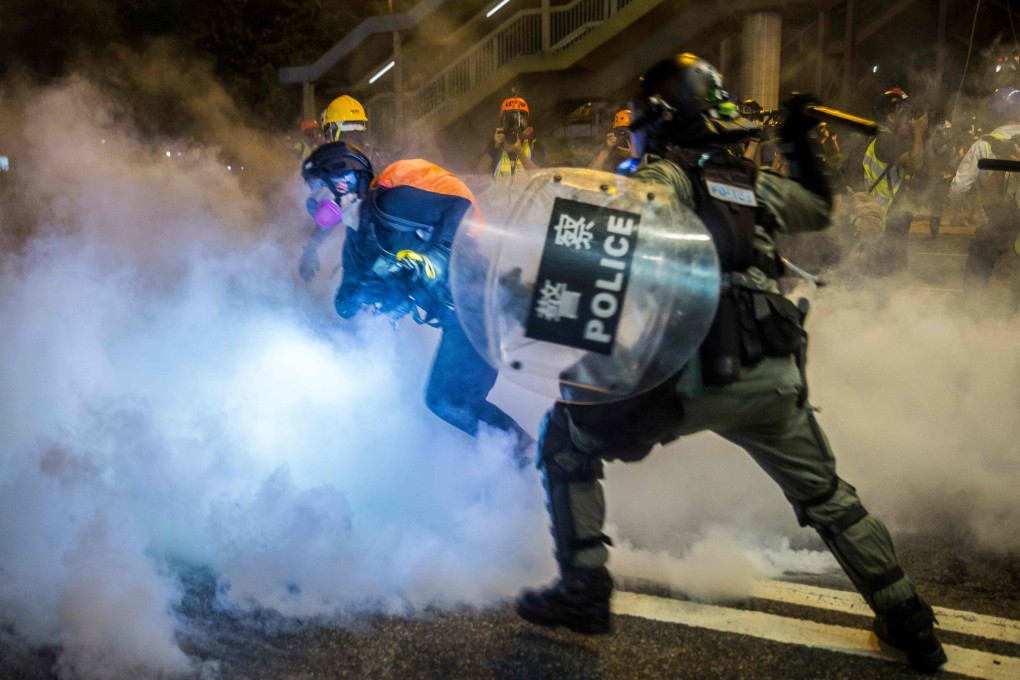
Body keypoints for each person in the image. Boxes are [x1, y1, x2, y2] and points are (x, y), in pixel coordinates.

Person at [513, 53, 946, 674]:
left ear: (661, 121)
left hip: (691, 373)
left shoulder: (665, 174)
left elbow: (618, 220)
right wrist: (796, 140)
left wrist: (529, 283)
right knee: (827, 495)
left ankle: (583, 589)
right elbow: (818, 209)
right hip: (771, 376)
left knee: (566, 439)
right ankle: (910, 622)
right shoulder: (749, 182)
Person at [300, 141, 533, 455]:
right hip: (459, 317)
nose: (315, 202)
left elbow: (457, 207)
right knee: (447, 400)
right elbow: (345, 303)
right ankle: (526, 457)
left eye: (319, 190)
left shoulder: (390, 204)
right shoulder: (359, 241)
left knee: (449, 399)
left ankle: (532, 456)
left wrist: (438, 249)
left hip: (482, 298)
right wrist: (367, 292)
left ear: (343, 180)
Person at [950, 86, 1020, 305]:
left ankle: (970, 317)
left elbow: (957, 189)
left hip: (995, 224)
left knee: (975, 282)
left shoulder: (982, 146)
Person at [861, 88, 928, 274]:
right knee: (885, 276)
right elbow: (915, 165)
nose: (908, 120)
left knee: (877, 275)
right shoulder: (886, 139)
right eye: (903, 114)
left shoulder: (876, 136)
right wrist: (919, 132)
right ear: (890, 117)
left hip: (876, 216)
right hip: (883, 218)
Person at [477, 95, 544, 179]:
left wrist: (519, 152)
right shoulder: (496, 144)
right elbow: (481, 170)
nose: (515, 122)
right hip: (501, 192)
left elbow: (540, 178)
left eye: (521, 116)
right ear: (502, 122)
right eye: (510, 118)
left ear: (527, 120)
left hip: (525, 192)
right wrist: (493, 147)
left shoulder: (534, 146)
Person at [588, 108, 637, 173]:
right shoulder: (608, 147)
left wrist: (632, 157)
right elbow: (591, 173)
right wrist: (606, 150)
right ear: (615, 131)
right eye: (621, 131)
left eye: (629, 131)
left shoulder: (643, 148)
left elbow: (647, 175)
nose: (625, 136)